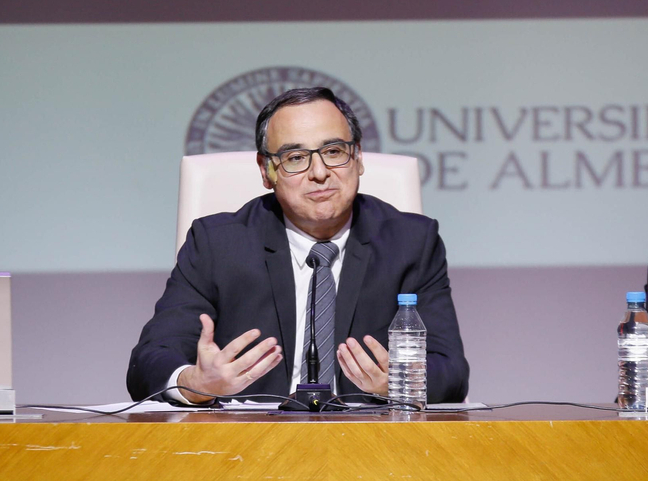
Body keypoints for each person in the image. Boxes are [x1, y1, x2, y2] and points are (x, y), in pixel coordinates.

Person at [127, 86, 469, 404]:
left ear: (358, 158)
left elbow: (451, 371)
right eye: (295, 158)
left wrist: (397, 383)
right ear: (266, 171)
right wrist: (197, 383)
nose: (319, 172)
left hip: (371, 448)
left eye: (334, 152)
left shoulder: (411, 243)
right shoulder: (217, 244)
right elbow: (149, 361)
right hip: (247, 450)